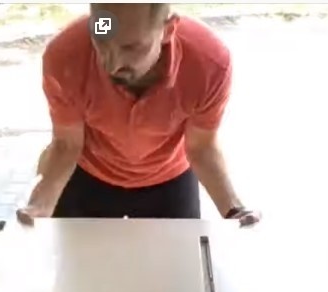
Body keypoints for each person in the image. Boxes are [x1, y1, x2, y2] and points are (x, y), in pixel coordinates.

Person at [16, 3, 260, 225]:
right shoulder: (66, 56)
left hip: (168, 179)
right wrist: (39, 206)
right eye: (101, 42)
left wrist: (234, 210)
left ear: (168, 29)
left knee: (180, 261)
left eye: (131, 47)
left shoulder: (209, 63)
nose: (112, 65)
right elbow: (66, 145)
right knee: (69, 260)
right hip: (87, 175)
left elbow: (201, 148)